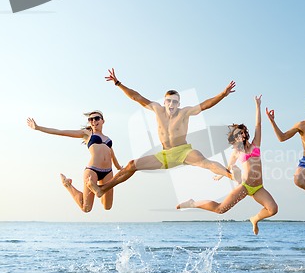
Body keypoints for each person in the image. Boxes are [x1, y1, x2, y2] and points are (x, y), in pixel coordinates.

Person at [88, 68, 235, 197]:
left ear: (179, 104)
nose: (171, 104)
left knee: (205, 163)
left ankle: (232, 175)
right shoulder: (157, 109)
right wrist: (118, 83)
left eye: (175, 102)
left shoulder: (184, 112)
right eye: (169, 101)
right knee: (132, 165)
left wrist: (223, 94)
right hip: (164, 155)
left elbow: (204, 105)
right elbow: (136, 97)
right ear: (164, 102)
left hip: (183, 151)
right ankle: (102, 190)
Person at [177, 95, 278, 235]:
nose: (241, 135)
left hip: (258, 187)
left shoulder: (256, 144)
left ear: (245, 134)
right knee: (220, 209)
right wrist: (220, 176)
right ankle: (193, 203)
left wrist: (258, 105)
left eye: (242, 133)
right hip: (245, 186)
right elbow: (228, 168)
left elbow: (258, 125)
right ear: (235, 138)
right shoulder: (236, 152)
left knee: (273, 209)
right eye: (238, 134)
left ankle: (254, 219)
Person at [27, 111, 122, 212]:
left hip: (108, 171)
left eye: (96, 118)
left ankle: (97, 189)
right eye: (91, 119)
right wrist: (38, 127)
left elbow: (112, 154)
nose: (93, 121)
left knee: (107, 206)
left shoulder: (107, 139)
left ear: (103, 121)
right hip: (92, 170)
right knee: (86, 208)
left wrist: (119, 167)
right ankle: (67, 185)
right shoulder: (87, 134)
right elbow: (61, 132)